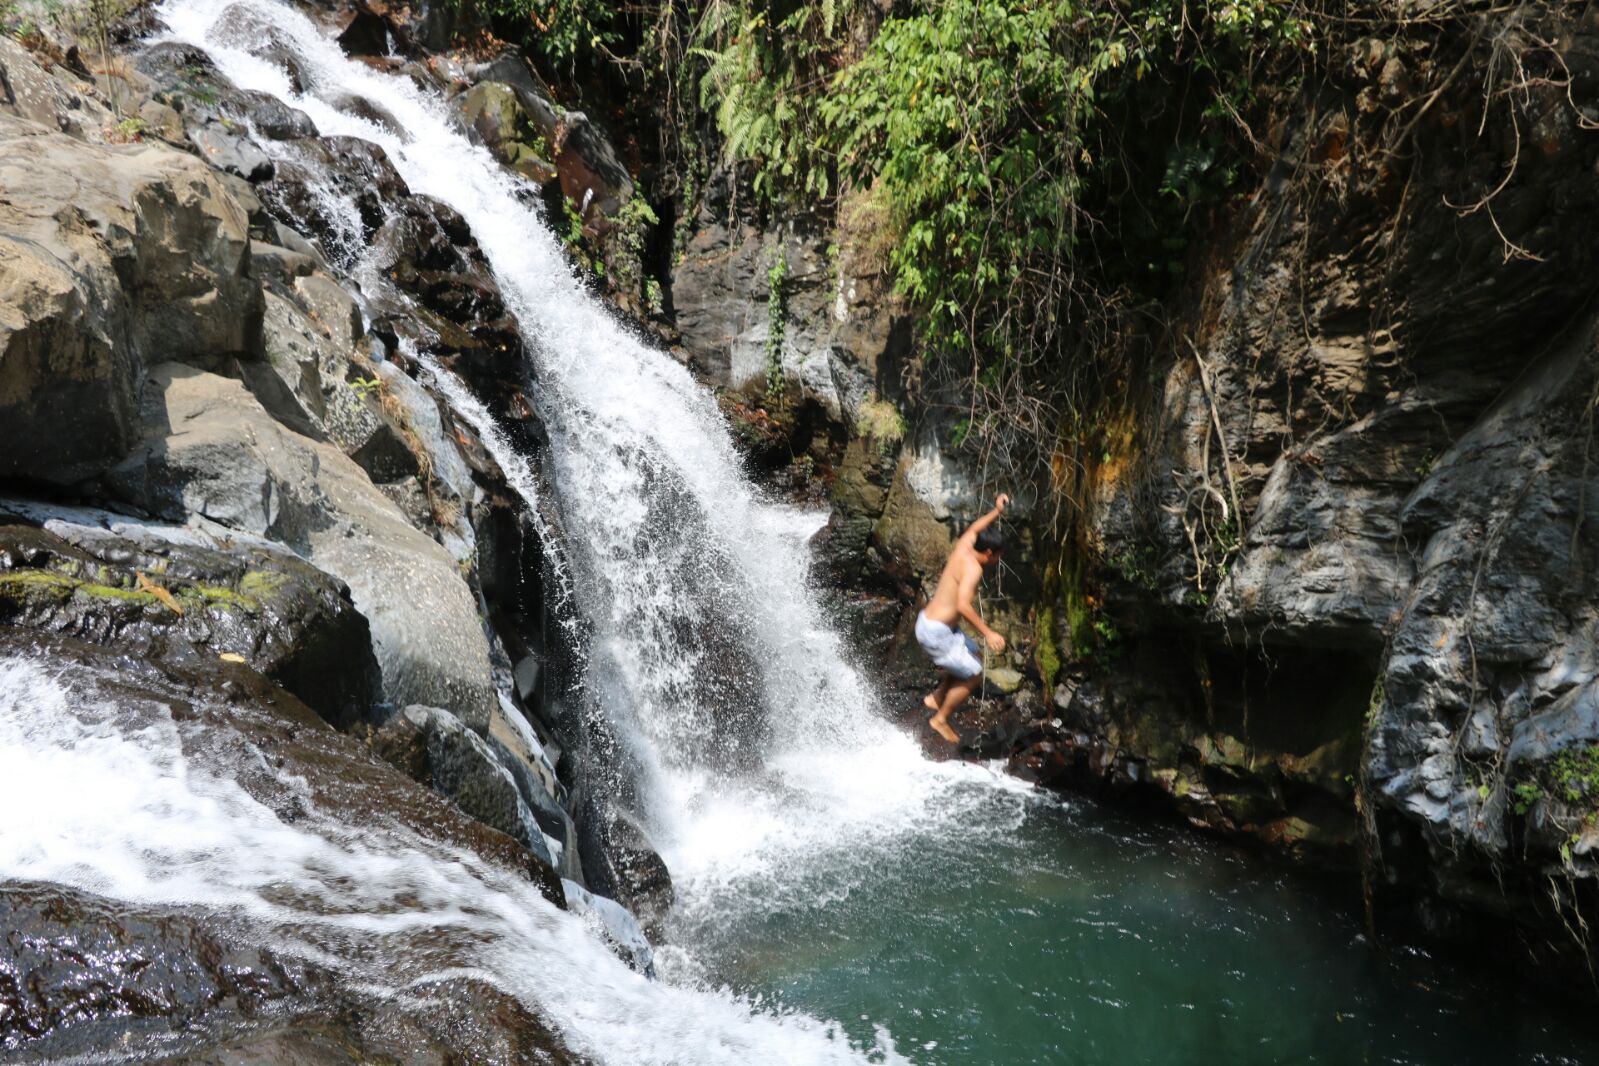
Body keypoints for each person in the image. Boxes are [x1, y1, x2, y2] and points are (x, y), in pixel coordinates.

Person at [915, 494, 1009, 743]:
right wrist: (989, 633)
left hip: (932, 623)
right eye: (998, 555)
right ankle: (940, 719)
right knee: (974, 673)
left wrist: (996, 511)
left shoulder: (966, 545)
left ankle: (937, 697)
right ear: (988, 552)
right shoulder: (973, 569)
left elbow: (975, 528)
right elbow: (963, 606)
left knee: (973, 653)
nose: (998, 559)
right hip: (936, 632)